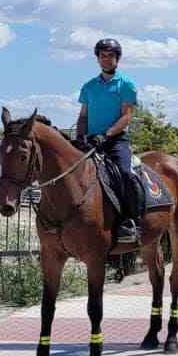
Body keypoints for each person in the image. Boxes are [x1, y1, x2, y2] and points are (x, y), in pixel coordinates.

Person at [75, 37, 141, 243]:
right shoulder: (88, 86)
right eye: (102, 56)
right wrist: (80, 137)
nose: (106, 59)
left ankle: (131, 222)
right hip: (91, 141)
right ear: (97, 59)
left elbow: (127, 116)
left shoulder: (126, 84)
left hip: (115, 140)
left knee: (125, 173)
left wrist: (108, 134)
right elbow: (83, 115)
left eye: (110, 56)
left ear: (117, 59)